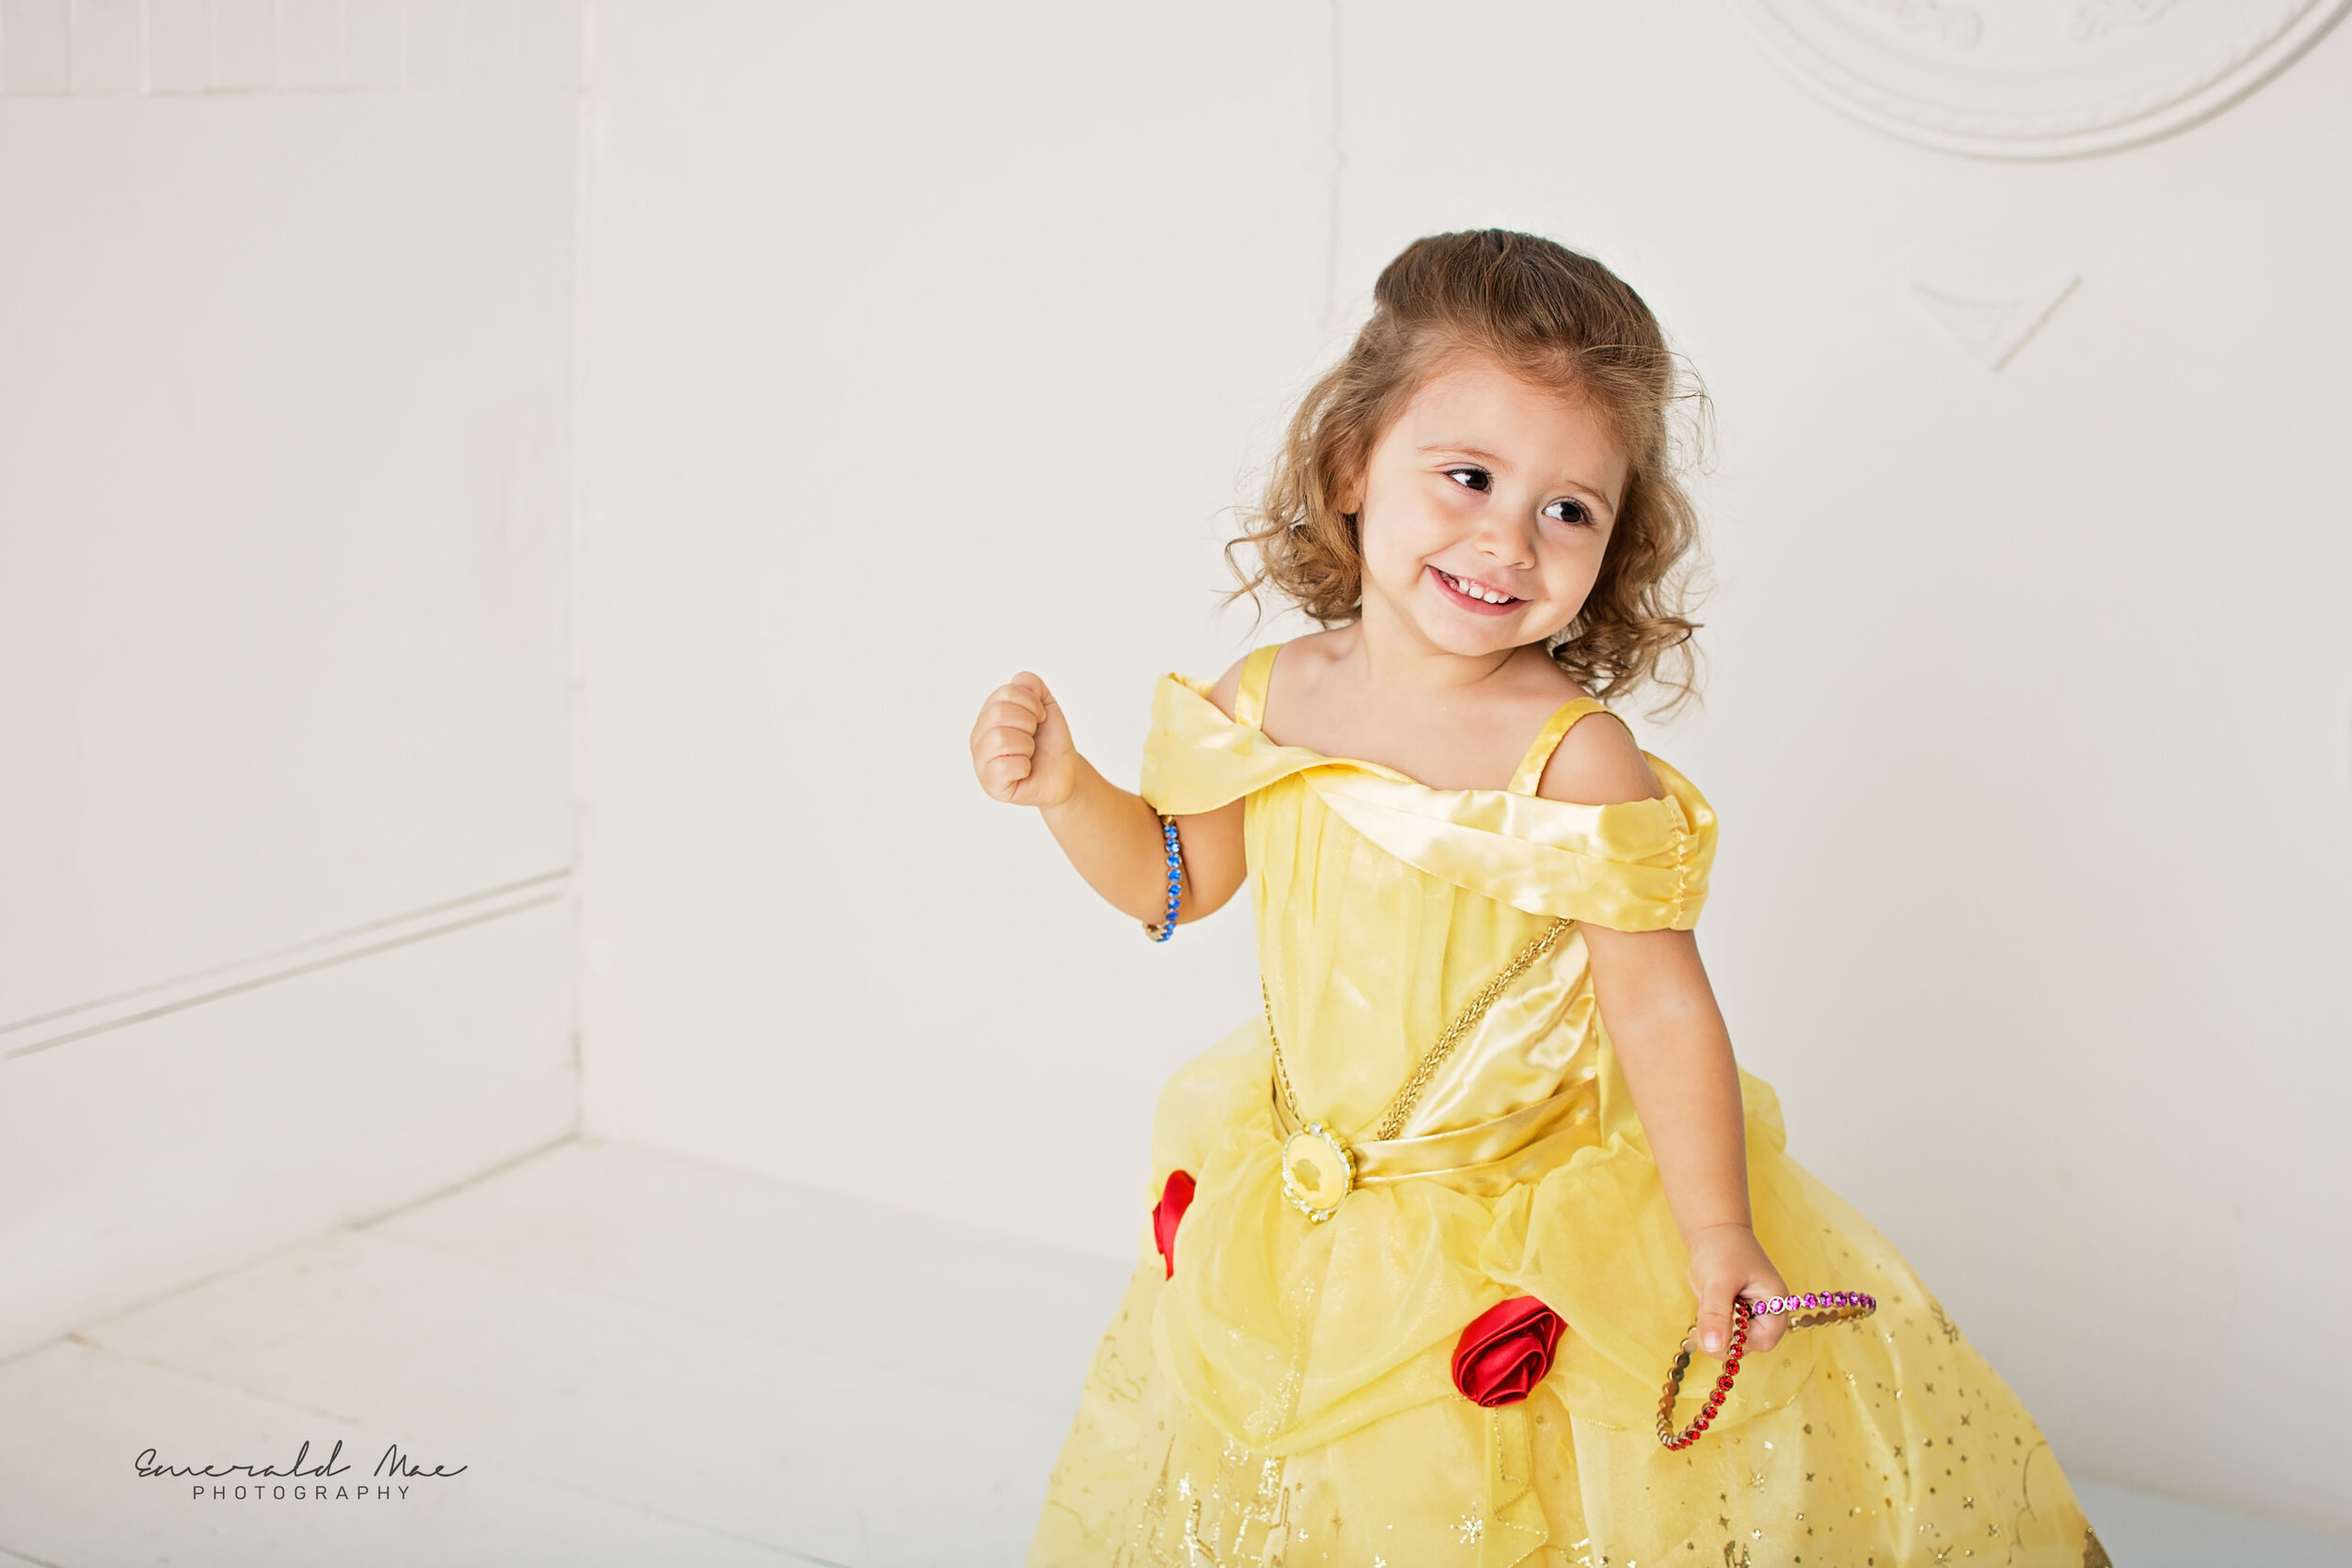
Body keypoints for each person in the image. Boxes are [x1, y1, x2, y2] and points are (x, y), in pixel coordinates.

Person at [971, 230, 2107, 1567]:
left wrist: (1718, 1233)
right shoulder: (1275, 698)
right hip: (1311, 1206)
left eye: (1569, 509)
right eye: (1467, 476)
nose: (1507, 539)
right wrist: (1069, 794)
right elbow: (1178, 881)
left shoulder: (1571, 758)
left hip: (1521, 1228)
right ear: (1351, 466)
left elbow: (1661, 1007)